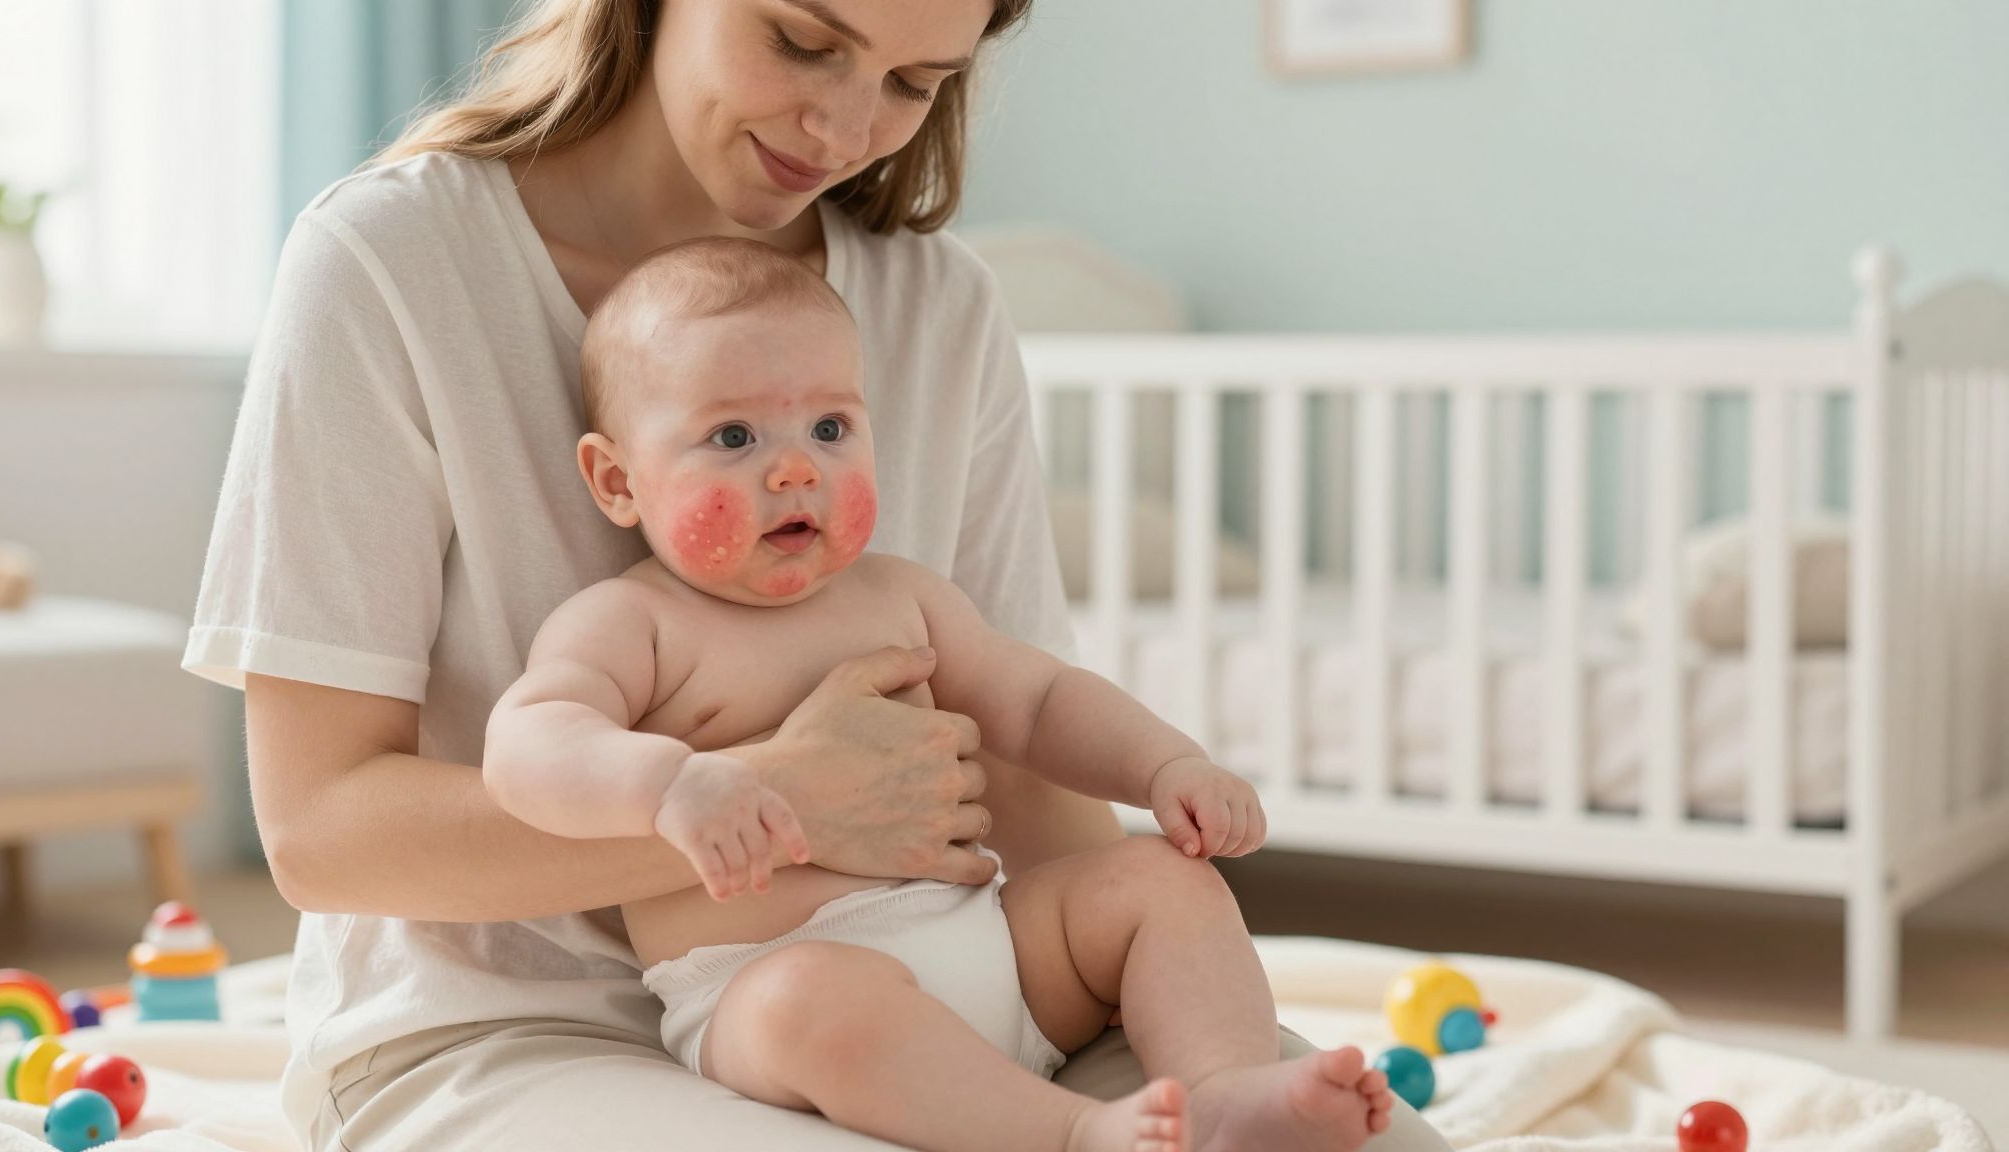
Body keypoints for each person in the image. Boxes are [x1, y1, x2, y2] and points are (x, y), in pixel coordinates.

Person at [185, 0, 1459, 1147]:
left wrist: (1134, 962)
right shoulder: (392, 264)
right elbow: (320, 836)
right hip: (504, 1028)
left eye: (916, 82)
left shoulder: (935, 303)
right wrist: (778, 801)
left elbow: (1020, 740)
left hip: (955, 985)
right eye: (802, 40)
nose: (848, 126)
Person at [485, 236, 1398, 1152]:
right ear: (616, 480)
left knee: (1164, 879)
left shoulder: (900, 595)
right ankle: (1076, 1133)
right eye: (734, 437)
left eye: (831, 430)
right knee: (811, 1003)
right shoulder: (631, 622)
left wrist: (1166, 764)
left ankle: (1223, 1093)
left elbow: (1035, 702)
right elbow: (530, 738)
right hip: (764, 983)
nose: (797, 468)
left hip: (995, 943)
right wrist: (668, 786)